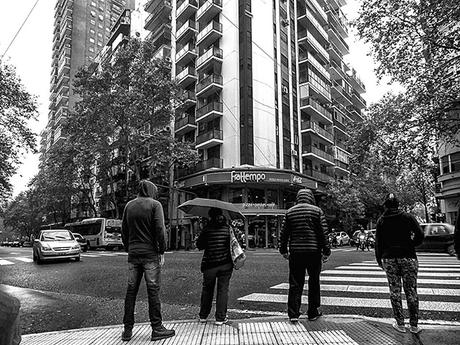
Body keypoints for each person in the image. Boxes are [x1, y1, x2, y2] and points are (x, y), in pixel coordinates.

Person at [121, 180, 175, 342]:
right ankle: (157, 328)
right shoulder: (155, 205)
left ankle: (127, 330)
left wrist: (128, 248)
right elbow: (160, 229)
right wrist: (161, 251)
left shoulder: (128, 206)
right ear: (152, 190)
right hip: (150, 254)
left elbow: (124, 230)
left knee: (131, 292)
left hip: (133, 253)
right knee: (153, 291)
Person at [375, 193, 424, 334]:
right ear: (398, 205)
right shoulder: (408, 217)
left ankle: (400, 324)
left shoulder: (381, 221)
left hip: (389, 259)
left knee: (395, 291)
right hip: (408, 257)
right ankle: (414, 325)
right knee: (411, 290)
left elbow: (378, 244)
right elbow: (420, 235)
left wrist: (380, 260)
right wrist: (411, 244)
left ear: (386, 206)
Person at [279, 189, 331, 322]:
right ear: (311, 198)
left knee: (295, 283)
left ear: (298, 198)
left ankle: (293, 313)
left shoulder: (290, 212)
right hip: (313, 252)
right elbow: (323, 233)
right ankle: (313, 312)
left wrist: (283, 250)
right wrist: (326, 251)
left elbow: (284, 234)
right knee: (314, 281)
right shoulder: (317, 211)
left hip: (296, 252)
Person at [196, 208, 233, 325]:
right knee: (223, 290)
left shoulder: (207, 229)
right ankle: (220, 318)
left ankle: (203, 316)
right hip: (225, 264)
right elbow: (233, 244)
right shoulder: (228, 229)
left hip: (209, 264)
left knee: (207, 290)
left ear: (210, 217)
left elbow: (199, 245)